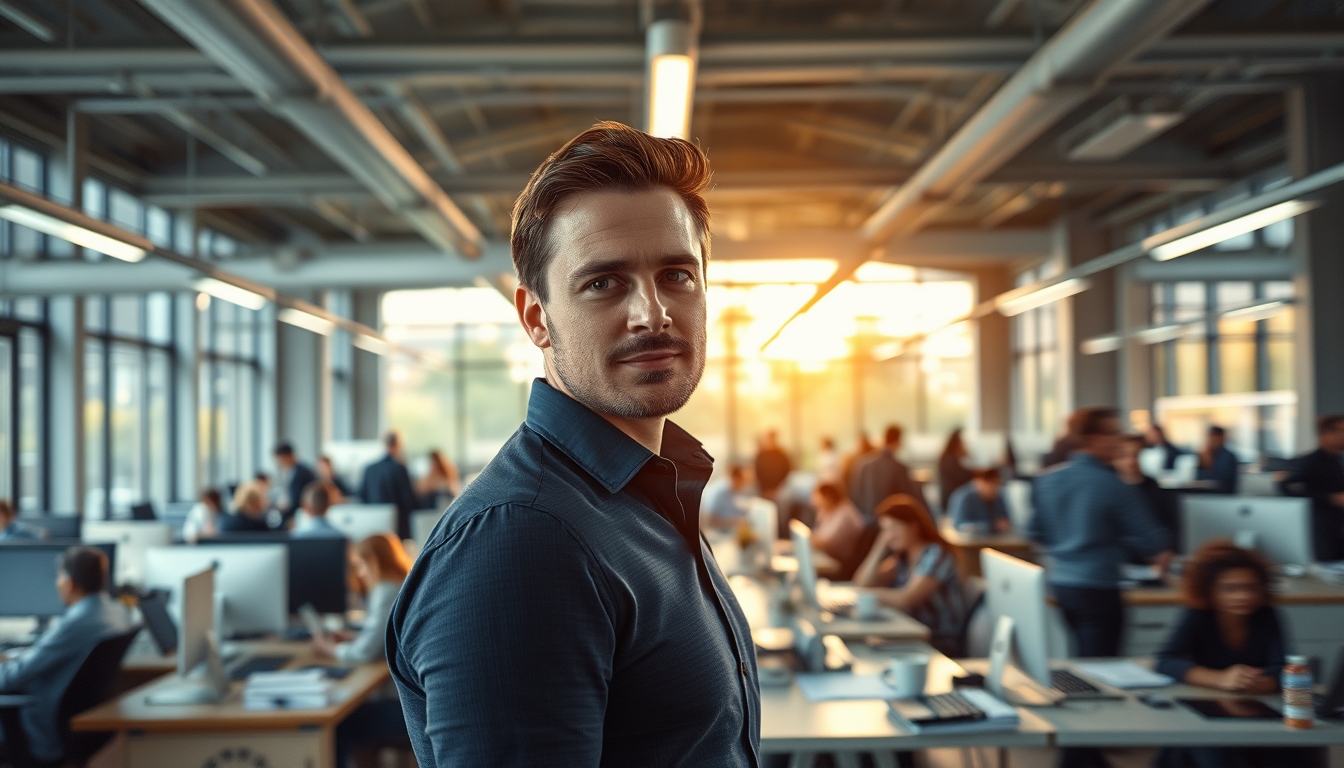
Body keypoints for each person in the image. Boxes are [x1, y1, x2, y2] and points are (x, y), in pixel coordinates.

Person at [388, 122, 759, 767]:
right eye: (604, 283)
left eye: (677, 275)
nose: (653, 313)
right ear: (536, 317)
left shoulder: (644, 493)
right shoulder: (521, 541)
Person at [1154, 542, 1322, 768]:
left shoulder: (1268, 615)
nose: (1243, 596)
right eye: (1230, 589)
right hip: (1204, 716)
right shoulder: (1197, 615)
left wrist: (1264, 681)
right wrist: (1220, 679)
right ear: (1209, 590)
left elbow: (1281, 665)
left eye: (1251, 587)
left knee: (1298, 749)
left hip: (1258, 710)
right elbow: (1165, 660)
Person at [1028, 408, 1174, 659]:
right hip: (1098, 588)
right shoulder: (1112, 484)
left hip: (1061, 586)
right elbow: (1153, 542)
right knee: (1101, 667)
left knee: (1080, 662)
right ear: (1094, 439)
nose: (1120, 440)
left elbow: (1035, 532)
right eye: (1115, 433)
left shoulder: (1046, 480)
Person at [0, 547, 132, 763]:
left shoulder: (75, 623)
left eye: (59, 577)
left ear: (69, 584)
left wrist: (10, 663)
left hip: (39, 730)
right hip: (78, 723)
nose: (57, 583)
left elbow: (10, 679)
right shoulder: (115, 611)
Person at [314, 534, 412, 768]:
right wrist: (353, 637)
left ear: (375, 562)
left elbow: (366, 653)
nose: (359, 573)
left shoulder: (387, 590)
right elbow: (383, 638)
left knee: (343, 721)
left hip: (403, 708)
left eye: (360, 565)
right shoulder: (399, 584)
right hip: (409, 699)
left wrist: (329, 649)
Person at [854, 495, 966, 656]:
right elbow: (862, 583)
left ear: (914, 526)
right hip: (910, 635)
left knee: (867, 653)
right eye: (884, 530)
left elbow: (905, 598)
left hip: (938, 642)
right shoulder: (904, 558)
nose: (889, 535)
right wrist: (879, 548)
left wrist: (867, 595)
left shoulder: (936, 555)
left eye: (893, 528)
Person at [1281, 415, 1344, 562]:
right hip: (1320, 529)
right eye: (1340, 431)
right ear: (1325, 434)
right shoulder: (1311, 462)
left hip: (1338, 526)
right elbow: (1287, 486)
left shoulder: (1338, 459)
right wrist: (1330, 498)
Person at [1113, 434, 1181, 551]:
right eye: (1124, 456)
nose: (1131, 461)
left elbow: (1170, 530)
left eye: (1136, 455)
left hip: (1153, 556)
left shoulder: (1156, 490)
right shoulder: (1110, 490)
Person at [850, 425, 926, 522]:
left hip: (867, 520)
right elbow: (908, 497)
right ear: (898, 441)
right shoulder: (898, 467)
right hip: (891, 522)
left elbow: (854, 494)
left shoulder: (863, 464)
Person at [359, 431, 419, 540]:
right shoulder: (399, 468)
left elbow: (362, 496)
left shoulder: (369, 468)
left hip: (372, 523)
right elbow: (407, 500)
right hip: (396, 525)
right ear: (398, 445)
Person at [809, 481, 865, 567]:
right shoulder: (829, 511)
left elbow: (824, 543)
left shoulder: (844, 513)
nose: (814, 501)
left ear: (827, 497)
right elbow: (818, 536)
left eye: (817, 496)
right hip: (831, 557)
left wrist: (807, 538)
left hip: (842, 562)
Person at [946, 468, 1010, 533]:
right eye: (992, 484)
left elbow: (1004, 519)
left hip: (994, 540)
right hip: (967, 541)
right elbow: (960, 526)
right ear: (980, 482)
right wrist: (992, 526)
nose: (995, 488)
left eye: (997, 485)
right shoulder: (964, 497)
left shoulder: (998, 496)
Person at [273, 442, 318, 525]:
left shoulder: (302, 472)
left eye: (279, 459)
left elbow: (298, 498)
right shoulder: (292, 471)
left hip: (302, 515)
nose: (278, 463)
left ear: (287, 456)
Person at [703, 463, 755, 531]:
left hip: (728, 530)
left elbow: (733, 509)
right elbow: (711, 521)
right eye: (743, 481)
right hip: (717, 533)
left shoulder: (733, 491)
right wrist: (735, 521)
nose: (744, 485)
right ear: (736, 478)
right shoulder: (720, 491)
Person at [937, 428, 973, 513]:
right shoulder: (950, 460)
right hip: (952, 500)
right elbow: (964, 477)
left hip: (951, 498)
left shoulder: (947, 458)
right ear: (957, 444)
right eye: (962, 444)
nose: (964, 446)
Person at [1197, 425, 1239, 494]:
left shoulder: (1227, 456)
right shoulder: (1205, 454)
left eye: (1215, 437)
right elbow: (1198, 477)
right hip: (1206, 494)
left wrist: (1208, 464)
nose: (1211, 440)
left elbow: (1220, 481)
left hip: (1221, 495)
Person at [754, 429, 792, 502]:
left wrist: (778, 486)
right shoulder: (761, 455)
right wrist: (764, 487)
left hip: (779, 488)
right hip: (763, 489)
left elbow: (786, 469)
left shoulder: (781, 454)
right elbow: (758, 471)